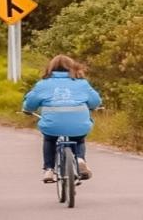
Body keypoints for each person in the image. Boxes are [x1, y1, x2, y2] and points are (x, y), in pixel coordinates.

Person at [22, 55, 102, 183]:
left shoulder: (43, 84)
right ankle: (80, 159)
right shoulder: (82, 83)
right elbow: (95, 102)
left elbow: (30, 104)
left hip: (52, 125)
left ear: (50, 68)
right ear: (73, 67)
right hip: (78, 124)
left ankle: (49, 169)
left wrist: (27, 110)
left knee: (49, 139)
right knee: (79, 138)